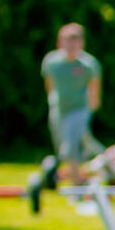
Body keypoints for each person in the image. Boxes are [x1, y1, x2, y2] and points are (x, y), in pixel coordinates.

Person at [41, 24, 103, 186]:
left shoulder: (88, 64)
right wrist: (52, 101)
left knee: (71, 146)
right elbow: (49, 84)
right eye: (67, 42)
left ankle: (76, 186)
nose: (71, 46)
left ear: (81, 44)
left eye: (75, 42)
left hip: (79, 109)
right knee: (63, 148)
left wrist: (91, 108)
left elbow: (94, 88)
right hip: (59, 109)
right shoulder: (51, 62)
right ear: (60, 43)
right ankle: (91, 166)